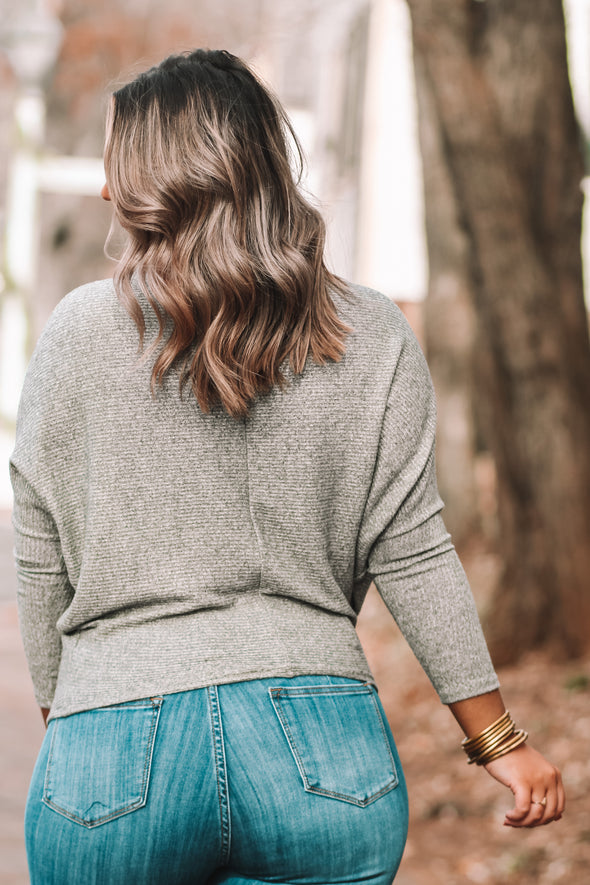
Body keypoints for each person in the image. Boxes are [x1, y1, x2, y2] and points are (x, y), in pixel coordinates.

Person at [10, 49, 564, 885]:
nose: (101, 190)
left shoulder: (78, 331)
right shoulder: (369, 331)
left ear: (164, 177)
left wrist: (74, 718)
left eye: (115, 166)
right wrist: (500, 741)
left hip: (113, 750)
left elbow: (38, 544)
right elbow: (413, 550)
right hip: (322, 754)